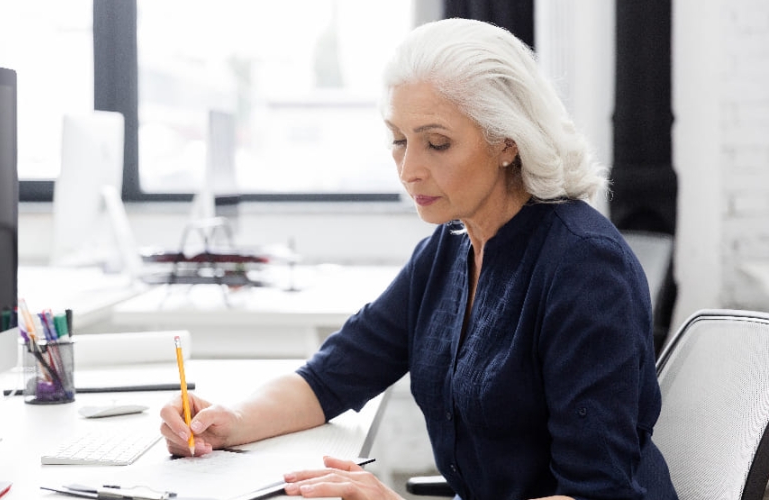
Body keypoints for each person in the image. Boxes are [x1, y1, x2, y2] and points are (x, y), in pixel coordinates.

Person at [160, 18, 678, 500]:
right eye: (399, 140)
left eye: (436, 143)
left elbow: (596, 494)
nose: (408, 170)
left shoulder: (584, 268)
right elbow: (331, 378)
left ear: (507, 142)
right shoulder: (450, 247)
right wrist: (229, 421)